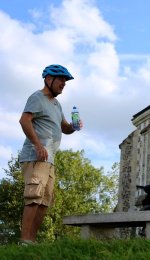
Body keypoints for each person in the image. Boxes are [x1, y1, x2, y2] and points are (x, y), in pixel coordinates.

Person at [18, 64, 82, 245]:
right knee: (33, 198)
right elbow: (24, 120)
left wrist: (74, 127)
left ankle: (32, 241)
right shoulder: (37, 97)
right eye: (61, 79)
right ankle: (24, 241)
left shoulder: (56, 104)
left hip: (50, 159)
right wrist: (37, 145)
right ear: (48, 79)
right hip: (35, 156)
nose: (64, 83)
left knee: (44, 202)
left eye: (65, 81)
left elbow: (65, 128)